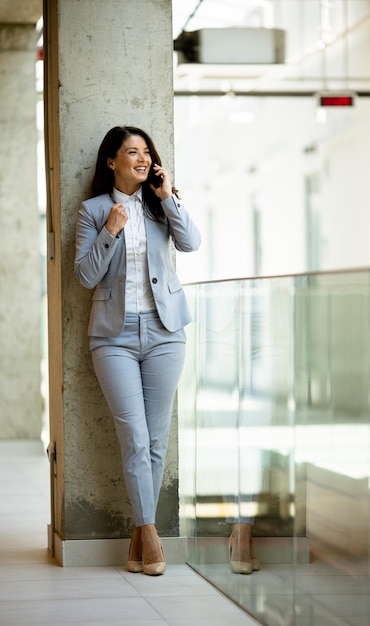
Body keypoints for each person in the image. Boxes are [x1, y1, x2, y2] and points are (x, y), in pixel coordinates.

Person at [74, 125, 201, 576]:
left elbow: (192, 242)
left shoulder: (160, 203)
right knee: (135, 437)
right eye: (132, 152)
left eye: (147, 152)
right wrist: (110, 229)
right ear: (112, 161)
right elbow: (86, 277)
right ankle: (149, 533)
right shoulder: (92, 211)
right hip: (114, 337)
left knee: (156, 439)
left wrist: (167, 197)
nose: (142, 159)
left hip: (166, 333)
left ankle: (140, 537)